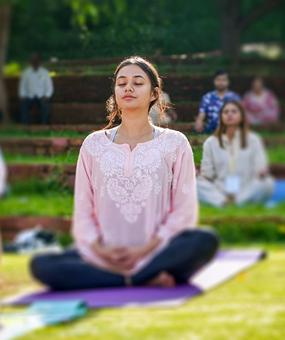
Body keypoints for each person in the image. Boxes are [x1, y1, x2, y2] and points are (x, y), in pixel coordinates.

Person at [30, 56, 219, 291]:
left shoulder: (175, 143)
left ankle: (135, 274)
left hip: (158, 253)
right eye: (121, 83)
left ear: (154, 93)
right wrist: (101, 250)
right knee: (42, 264)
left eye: (138, 82)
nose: (128, 87)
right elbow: (83, 209)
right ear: (115, 92)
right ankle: (138, 278)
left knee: (204, 240)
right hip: (104, 258)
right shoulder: (94, 144)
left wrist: (145, 249)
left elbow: (184, 210)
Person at [197, 100, 274, 207]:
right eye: (226, 112)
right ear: (221, 117)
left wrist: (261, 172)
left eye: (234, 111)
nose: (229, 114)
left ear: (241, 116)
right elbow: (207, 173)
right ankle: (222, 202)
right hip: (220, 188)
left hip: (245, 188)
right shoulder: (210, 142)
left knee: (267, 183)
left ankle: (236, 202)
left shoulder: (253, 139)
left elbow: (259, 167)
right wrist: (202, 175)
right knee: (196, 183)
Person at [19, 53, 54, 124]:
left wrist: (47, 96)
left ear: (39, 61)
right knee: (23, 105)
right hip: (29, 96)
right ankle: (25, 125)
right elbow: (22, 86)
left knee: (45, 106)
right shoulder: (26, 73)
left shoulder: (45, 73)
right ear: (30, 62)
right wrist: (22, 95)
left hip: (41, 97)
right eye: (33, 60)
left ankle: (43, 125)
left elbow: (49, 87)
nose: (34, 62)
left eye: (36, 60)